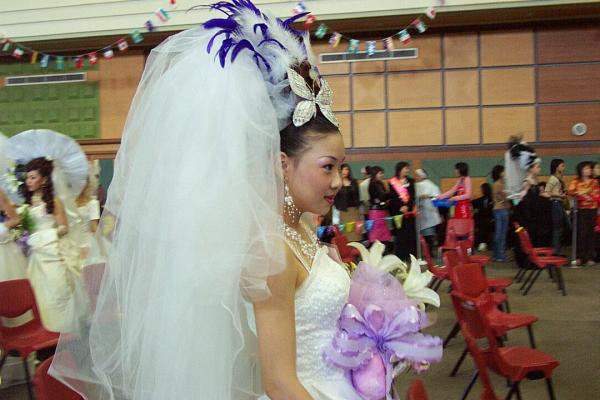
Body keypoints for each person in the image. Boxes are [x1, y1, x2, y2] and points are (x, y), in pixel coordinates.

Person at [50, 3, 374, 398]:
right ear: (283, 164)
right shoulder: (271, 248)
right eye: (327, 167)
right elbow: (278, 382)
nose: (339, 181)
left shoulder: (300, 228)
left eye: (342, 167)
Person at [568, 161, 600, 266]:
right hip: (580, 210)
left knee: (591, 233)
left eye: (590, 168)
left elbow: (596, 195)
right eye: (586, 168)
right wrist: (581, 194)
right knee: (581, 233)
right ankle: (580, 256)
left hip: (592, 209)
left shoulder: (594, 182)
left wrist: (583, 194)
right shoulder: (575, 181)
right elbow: (570, 192)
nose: (589, 170)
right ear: (581, 170)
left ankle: (590, 257)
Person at [389, 161, 416, 262]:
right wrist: (400, 207)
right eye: (405, 168)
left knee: (410, 234)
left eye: (408, 168)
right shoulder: (392, 182)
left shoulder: (411, 181)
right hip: (398, 214)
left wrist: (408, 206)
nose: (407, 170)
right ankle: (400, 256)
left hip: (409, 213)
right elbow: (392, 197)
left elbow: (412, 196)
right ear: (400, 169)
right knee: (400, 235)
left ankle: (411, 256)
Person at [414, 168, 441, 252]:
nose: (416, 177)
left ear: (422, 176)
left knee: (428, 233)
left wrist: (427, 197)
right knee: (422, 234)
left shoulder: (431, 185)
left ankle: (429, 251)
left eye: (417, 175)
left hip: (429, 212)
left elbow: (437, 197)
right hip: (420, 212)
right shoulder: (416, 185)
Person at [333, 163, 361, 242]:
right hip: (343, 211)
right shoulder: (337, 183)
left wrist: (358, 205)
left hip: (354, 210)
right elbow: (334, 197)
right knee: (345, 232)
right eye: (342, 170)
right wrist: (338, 207)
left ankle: (356, 247)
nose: (344, 171)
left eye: (346, 169)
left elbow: (358, 195)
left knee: (356, 232)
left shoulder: (354, 182)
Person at [545, 159, 567, 255]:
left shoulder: (559, 178)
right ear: (557, 167)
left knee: (560, 227)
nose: (564, 168)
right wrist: (559, 195)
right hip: (555, 203)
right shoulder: (553, 179)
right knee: (557, 228)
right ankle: (555, 250)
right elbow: (547, 192)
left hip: (559, 203)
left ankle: (557, 249)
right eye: (562, 166)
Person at [368, 166, 392, 247]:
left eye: (382, 173)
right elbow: (382, 196)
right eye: (380, 173)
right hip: (375, 212)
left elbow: (385, 197)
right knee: (376, 233)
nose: (382, 175)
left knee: (383, 233)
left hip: (382, 210)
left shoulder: (380, 183)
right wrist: (387, 195)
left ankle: (383, 249)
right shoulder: (372, 184)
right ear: (375, 174)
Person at [491, 165, 509, 262]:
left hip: (498, 209)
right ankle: (500, 255)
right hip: (502, 209)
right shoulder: (500, 184)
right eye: (503, 171)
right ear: (500, 173)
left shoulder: (497, 184)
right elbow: (505, 197)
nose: (505, 173)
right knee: (501, 233)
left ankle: (496, 254)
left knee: (499, 233)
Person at [472, 182, 494, 252]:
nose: (481, 191)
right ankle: (483, 244)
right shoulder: (483, 199)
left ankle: (483, 244)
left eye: (482, 189)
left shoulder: (491, 199)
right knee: (482, 225)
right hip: (484, 219)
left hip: (488, 219)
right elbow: (473, 203)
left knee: (482, 226)